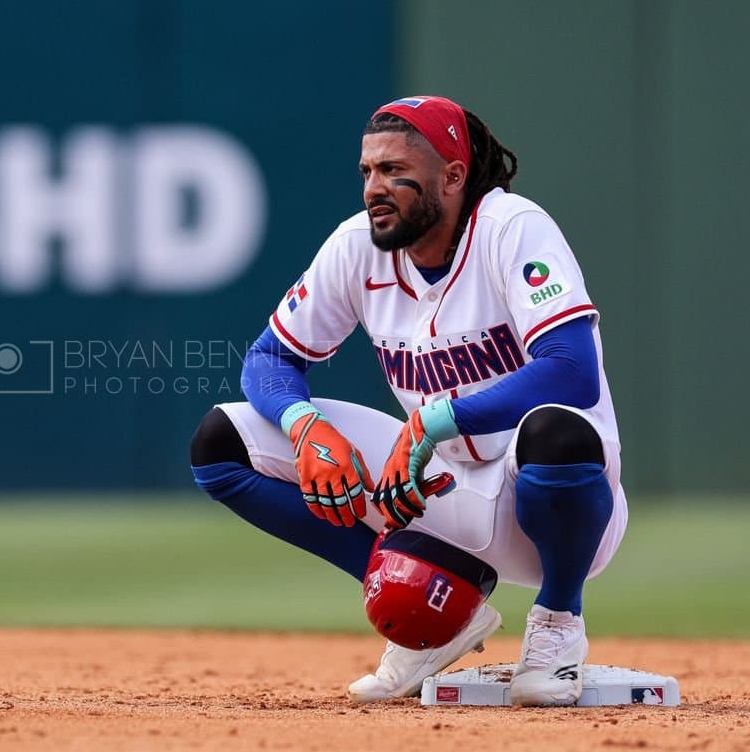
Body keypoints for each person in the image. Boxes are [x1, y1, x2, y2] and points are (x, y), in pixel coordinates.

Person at [189, 95, 627, 707]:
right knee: (221, 443)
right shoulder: (355, 246)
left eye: (397, 171)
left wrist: (437, 419)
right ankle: (432, 605)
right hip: (433, 481)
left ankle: (558, 622)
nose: (376, 187)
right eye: (368, 170)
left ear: (452, 176)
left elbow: (573, 370)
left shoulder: (511, 228)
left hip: (554, 498)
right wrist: (303, 424)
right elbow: (269, 359)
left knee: (554, 430)